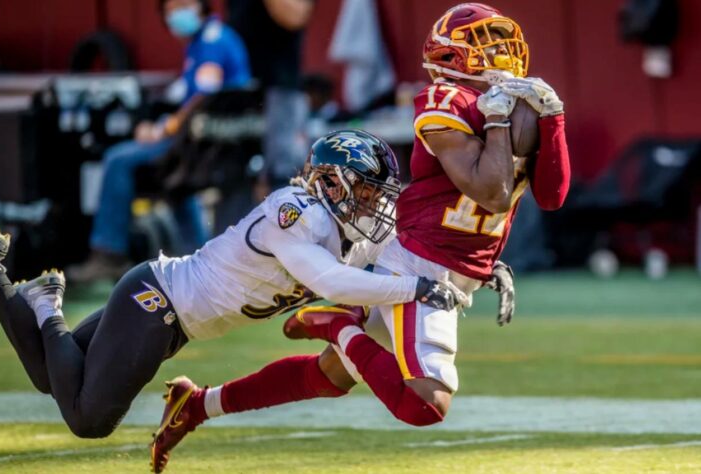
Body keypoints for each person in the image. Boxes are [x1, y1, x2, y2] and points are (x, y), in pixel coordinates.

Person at [149, 3, 571, 471]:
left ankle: (197, 405)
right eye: (486, 46)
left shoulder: (513, 104)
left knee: (330, 375)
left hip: (452, 265)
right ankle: (336, 322)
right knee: (425, 404)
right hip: (420, 265)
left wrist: (552, 120)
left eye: (502, 43)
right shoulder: (445, 101)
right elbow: (491, 194)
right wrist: (497, 123)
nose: (502, 55)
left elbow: (550, 196)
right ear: (452, 57)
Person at [0, 130, 463, 466]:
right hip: (156, 302)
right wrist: (417, 288)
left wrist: (473, 266)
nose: (374, 207)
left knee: (53, 379)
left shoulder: (350, 232)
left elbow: (411, 244)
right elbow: (335, 284)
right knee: (89, 419)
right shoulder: (296, 213)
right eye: (366, 193)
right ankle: (46, 305)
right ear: (334, 183)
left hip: (170, 314)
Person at [67, 0, 251, 284]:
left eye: (183, 4)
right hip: (206, 143)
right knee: (174, 183)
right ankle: (198, 258)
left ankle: (108, 253)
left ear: (201, 6)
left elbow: (204, 98)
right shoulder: (205, 40)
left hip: (206, 145)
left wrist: (162, 129)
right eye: (170, 8)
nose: (177, 13)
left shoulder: (212, 42)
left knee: (118, 159)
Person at [227, 0, 316, 200]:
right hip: (240, 92)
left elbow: (295, 16)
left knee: (284, 176)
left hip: (280, 91)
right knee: (237, 178)